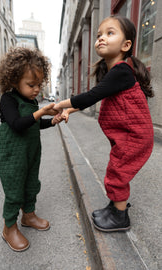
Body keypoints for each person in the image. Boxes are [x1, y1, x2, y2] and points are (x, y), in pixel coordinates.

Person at [53, 15, 154, 232]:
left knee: (117, 172)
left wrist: (60, 104)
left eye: (110, 33)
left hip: (133, 135)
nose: (101, 38)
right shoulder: (114, 72)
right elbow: (95, 96)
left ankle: (120, 217)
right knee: (117, 169)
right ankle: (114, 207)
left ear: (126, 45)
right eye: (99, 34)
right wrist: (69, 109)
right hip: (126, 134)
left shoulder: (121, 70)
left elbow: (90, 96)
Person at [0, 47, 65, 251]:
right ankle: (9, 228)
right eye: (30, 85)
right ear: (14, 80)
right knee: (14, 191)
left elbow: (33, 124)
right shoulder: (8, 100)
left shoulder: (33, 101)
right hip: (13, 157)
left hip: (32, 154)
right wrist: (41, 112)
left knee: (31, 184)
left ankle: (28, 215)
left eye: (39, 85)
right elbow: (17, 124)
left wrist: (52, 120)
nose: (36, 90)